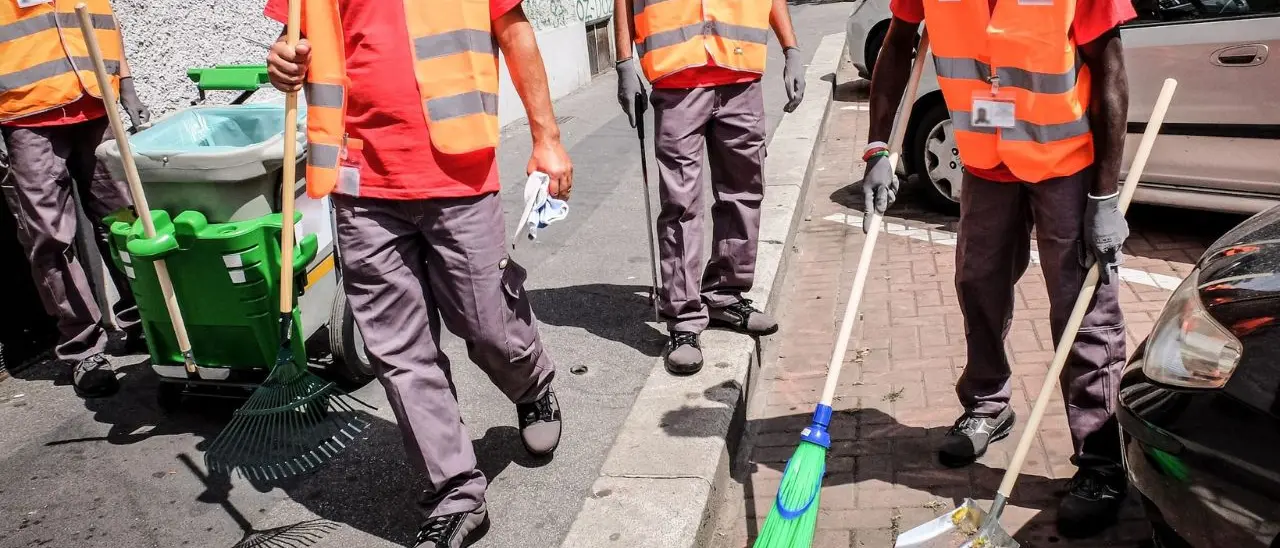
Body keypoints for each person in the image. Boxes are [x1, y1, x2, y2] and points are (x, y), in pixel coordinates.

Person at [263, 0, 571, 545]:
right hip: (359, 180)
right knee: (399, 351)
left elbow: (513, 30)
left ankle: (532, 384)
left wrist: (547, 138)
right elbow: (301, 42)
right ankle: (455, 494)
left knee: (485, 324)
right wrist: (282, 62)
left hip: (459, 172)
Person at [865, 0, 1138, 538]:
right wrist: (878, 145)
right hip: (986, 156)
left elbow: (1110, 70)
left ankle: (1101, 460)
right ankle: (988, 404)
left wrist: (1105, 195)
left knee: (1080, 306)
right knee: (977, 281)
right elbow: (898, 43)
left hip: (1065, 160)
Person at [614, 0, 806, 375]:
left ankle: (724, 294)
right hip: (677, 76)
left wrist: (791, 48)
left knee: (744, 193)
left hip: (740, 76)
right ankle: (684, 319)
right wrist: (624, 62)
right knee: (681, 204)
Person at [1, 0, 149, 398]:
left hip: (97, 101)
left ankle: (145, 321)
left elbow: (105, 21)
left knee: (124, 222)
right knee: (50, 237)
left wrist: (127, 85)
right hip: (25, 113)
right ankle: (83, 348)